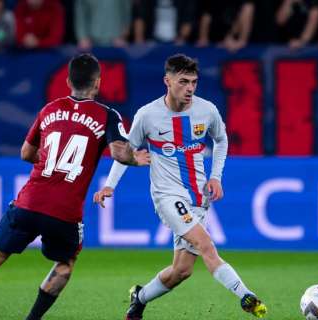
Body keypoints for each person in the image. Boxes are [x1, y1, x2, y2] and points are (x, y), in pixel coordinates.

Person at [0, 53, 151, 320]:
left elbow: (25, 153)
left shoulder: (50, 109)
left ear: (68, 81)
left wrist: (48, 161)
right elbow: (119, 153)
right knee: (65, 265)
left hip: (29, 202)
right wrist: (136, 158)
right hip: (64, 213)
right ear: (98, 83)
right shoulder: (107, 115)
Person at [93, 54, 267, 319]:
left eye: (194, 82)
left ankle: (138, 298)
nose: (190, 88)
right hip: (167, 196)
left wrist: (216, 176)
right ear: (167, 81)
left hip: (198, 197)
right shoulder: (148, 115)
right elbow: (126, 152)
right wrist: (109, 186)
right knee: (206, 244)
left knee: (181, 271)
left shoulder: (206, 110)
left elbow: (221, 140)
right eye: (183, 81)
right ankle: (246, 296)